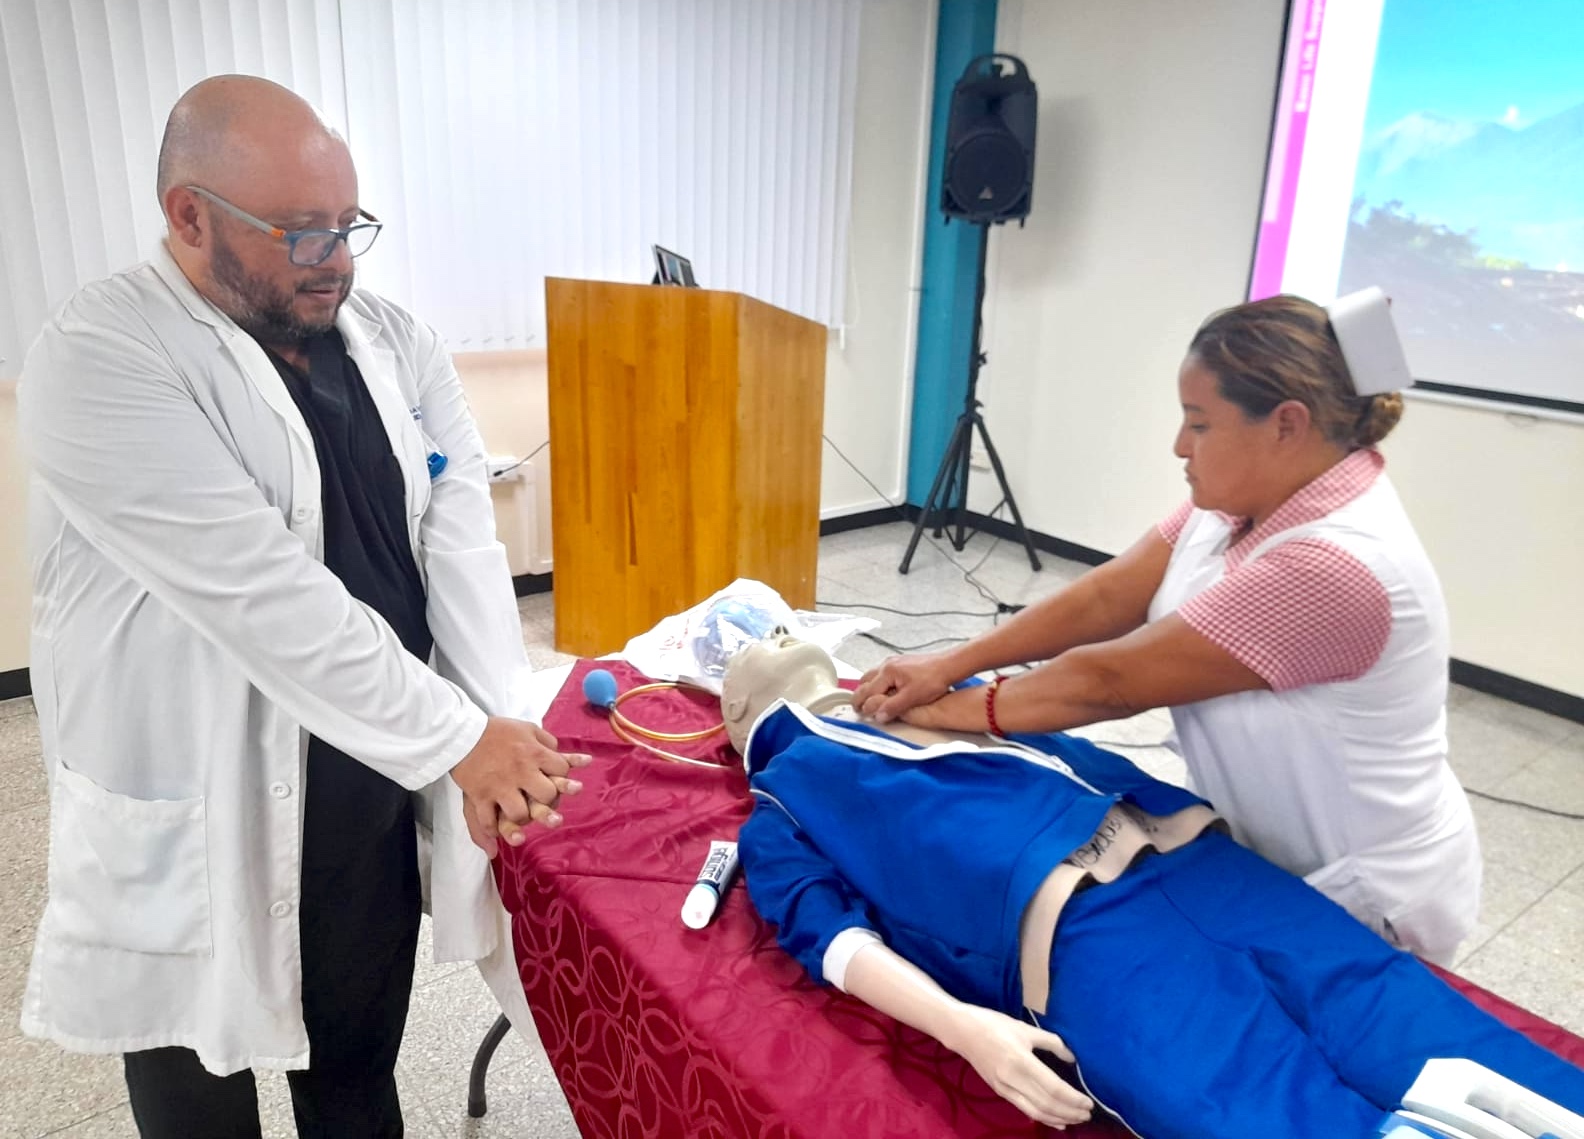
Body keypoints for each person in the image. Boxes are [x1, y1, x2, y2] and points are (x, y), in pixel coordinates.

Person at [16, 76, 588, 1138]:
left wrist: (497, 724)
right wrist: (459, 737)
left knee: (357, 1074)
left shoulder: (397, 341)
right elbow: (259, 591)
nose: (337, 259)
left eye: (348, 224)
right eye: (301, 231)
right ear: (190, 215)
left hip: (363, 791)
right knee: (198, 1095)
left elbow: (460, 549)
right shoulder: (100, 352)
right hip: (198, 799)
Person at [725, 638, 1584, 1139]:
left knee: (1406, 1023)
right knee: (1281, 1105)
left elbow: (1064, 707)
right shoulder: (782, 802)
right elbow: (833, 939)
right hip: (1084, 937)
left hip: (1191, 862)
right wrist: (963, 1027)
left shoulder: (935, 694)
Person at [852, 291, 1479, 963]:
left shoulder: (1336, 563)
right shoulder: (1240, 499)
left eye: (1199, 424)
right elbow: (1109, 596)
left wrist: (937, 710)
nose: (1180, 445)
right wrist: (949, 664)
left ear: (1286, 425)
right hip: (1270, 853)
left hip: (1365, 887)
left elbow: (1111, 682)